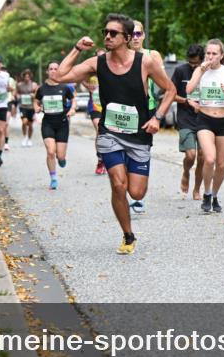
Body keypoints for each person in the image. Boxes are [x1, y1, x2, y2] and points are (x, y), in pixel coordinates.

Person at [53, 13, 176, 255]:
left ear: (127, 38)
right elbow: (59, 76)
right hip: (110, 133)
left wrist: (157, 118)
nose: (107, 36)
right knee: (118, 185)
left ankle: (131, 169)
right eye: (105, 33)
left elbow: (170, 90)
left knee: (136, 192)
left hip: (139, 134)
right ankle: (128, 235)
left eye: (113, 33)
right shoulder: (96, 63)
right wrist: (77, 48)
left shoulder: (145, 63)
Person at [185, 39, 224, 213]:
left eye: (214, 53)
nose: (210, 57)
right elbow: (188, 90)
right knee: (209, 158)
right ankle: (207, 193)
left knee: (221, 164)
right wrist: (200, 71)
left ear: (221, 55)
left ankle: (215, 195)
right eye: (208, 53)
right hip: (205, 119)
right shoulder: (200, 70)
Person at [127, 20, 164, 214]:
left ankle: (139, 196)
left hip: (146, 109)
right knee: (123, 150)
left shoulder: (153, 55)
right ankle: (129, 187)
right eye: (131, 34)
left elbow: (163, 81)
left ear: (143, 35)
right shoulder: (121, 55)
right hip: (124, 110)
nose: (135, 38)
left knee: (142, 150)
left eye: (138, 34)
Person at [171, 44, 206, 200]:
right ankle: (186, 172)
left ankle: (197, 189)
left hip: (205, 119)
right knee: (191, 155)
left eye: (196, 64)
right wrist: (187, 101)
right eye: (190, 63)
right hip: (186, 118)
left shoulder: (209, 72)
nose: (193, 66)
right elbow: (170, 94)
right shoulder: (180, 71)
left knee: (203, 157)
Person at [35, 62, 76, 190]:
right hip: (48, 123)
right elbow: (36, 101)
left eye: (55, 69)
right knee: (50, 152)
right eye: (51, 69)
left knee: (60, 155)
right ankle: (53, 178)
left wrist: (72, 109)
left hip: (63, 123)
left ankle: (62, 159)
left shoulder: (65, 88)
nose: (53, 71)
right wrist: (37, 107)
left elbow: (73, 100)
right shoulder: (42, 89)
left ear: (59, 71)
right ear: (47, 71)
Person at [80, 49, 106, 174]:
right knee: (99, 130)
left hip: (108, 107)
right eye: (98, 57)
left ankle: (107, 158)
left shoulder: (112, 70)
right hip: (94, 106)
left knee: (107, 133)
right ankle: (100, 158)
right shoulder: (91, 72)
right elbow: (80, 77)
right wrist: (87, 86)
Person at [16, 69, 39, 146]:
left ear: (30, 77)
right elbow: (16, 93)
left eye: (28, 77)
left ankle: (29, 139)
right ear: (23, 77)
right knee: (24, 122)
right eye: (25, 77)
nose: (27, 78)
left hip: (31, 107)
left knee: (30, 124)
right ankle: (25, 137)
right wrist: (18, 96)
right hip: (23, 106)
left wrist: (34, 95)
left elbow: (38, 94)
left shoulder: (34, 84)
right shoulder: (19, 85)